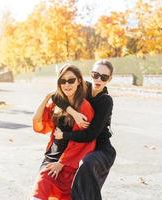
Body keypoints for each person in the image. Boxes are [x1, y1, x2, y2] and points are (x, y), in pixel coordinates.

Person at [53, 59, 116, 200]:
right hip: (82, 146)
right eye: (95, 74)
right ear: (91, 74)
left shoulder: (105, 101)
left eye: (104, 77)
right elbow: (56, 96)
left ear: (109, 79)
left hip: (101, 149)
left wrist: (64, 135)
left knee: (86, 165)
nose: (98, 79)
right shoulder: (83, 88)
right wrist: (74, 113)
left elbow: (90, 134)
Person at [31, 64, 96, 200]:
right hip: (51, 156)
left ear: (79, 81)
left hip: (68, 162)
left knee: (52, 191)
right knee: (41, 189)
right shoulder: (57, 105)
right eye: (62, 81)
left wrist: (61, 163)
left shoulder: (84, 107)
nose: (67, 84)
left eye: (71, 80)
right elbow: (37, 121)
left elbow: (83, 141)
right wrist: (47, 97)